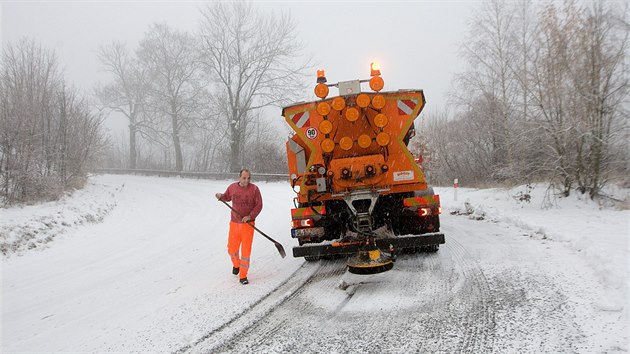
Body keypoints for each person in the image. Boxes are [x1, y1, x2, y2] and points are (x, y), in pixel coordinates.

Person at [215, 169, 263, 285]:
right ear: (239, 177)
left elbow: (259, 205)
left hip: (248, 225)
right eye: (244, 178)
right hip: (234, 223)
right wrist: (220, 196)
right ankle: (236, 265)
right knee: (232, 249)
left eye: (248, 178)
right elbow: (227, 197)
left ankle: (243, 275)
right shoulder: (232, 187)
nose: (246, 180)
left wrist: (250, 216)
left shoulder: (254, 189)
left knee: (245, 252)